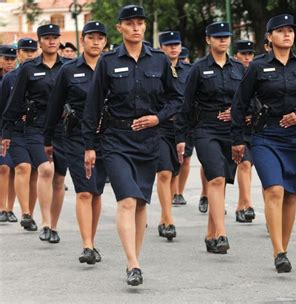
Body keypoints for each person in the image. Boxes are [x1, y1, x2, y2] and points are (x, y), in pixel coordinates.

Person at [82, 5, 181, 286]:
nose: (136, 27)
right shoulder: (108, 61)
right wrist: (89, 145)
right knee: (126, 199)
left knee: (139, 204)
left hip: (148, 141)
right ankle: (133, 263)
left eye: (140, 23)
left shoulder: (159, 61)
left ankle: (133, 260)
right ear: (120, 28)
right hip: (116, 140)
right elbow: (93, 106)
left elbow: (176, 100)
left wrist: (157, 118)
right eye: (130, 23)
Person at [232, 14, 296, 273]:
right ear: (269, 37)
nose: (287, 34)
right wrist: (237, 140)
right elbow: (240, 103)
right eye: (280, 31)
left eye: (291, 30)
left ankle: (284, 249)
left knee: (290, 194)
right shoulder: (257, 67)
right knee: (275, 190)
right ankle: (277, 250)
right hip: (266, 134)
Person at [175, 21, 244, 254]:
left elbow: (249, 101)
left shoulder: (238, 68)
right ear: (208, 40)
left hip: (231, 131)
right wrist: (180, 137)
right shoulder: (198, 68)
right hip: (205, 129)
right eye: (217, 37)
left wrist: (239, 114)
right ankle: (223, 234)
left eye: (226, 37)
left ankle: (211, 234)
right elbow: (186, 104)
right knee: (215, 178)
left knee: (222, 181)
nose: (223, 41)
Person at [44, 21, 108, 265]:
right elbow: (55, 105)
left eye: (100, 38)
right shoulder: (69, 70)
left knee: (97, 191)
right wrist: (47, 139)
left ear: (105, 42)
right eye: (91, 37)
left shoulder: (111, 67)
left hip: (105, 137)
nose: (95, 42)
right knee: (84, 190)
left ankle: (91, 237)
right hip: (75, 137)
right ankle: (87, 245)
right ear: (83, 40)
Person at [2, 24, 68, 243]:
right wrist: (7, 132)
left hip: (63, 128)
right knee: (45, 170)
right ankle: (45, 222)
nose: (51, 41)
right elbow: (15, 101)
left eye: (55, 38)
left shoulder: (67, 67)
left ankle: (54, 226)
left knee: (59, 177)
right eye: (47, 38)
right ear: (40, 41)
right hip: (35, 127)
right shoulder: (28, 69)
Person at [155, 30, 190, 239]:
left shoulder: (189, 70)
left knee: (175, 171)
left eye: (176, 44)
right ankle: (168, 219)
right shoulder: (155, 68)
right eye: (168, 45)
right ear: (161, 48)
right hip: (160, 126)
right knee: (165, 172)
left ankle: (163, 216)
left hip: (183, 127)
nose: (173, 48)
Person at [1, 38, 38, 230]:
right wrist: (4, 134)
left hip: (37, 130)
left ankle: (29, 214)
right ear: (19, 54)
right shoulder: (9, 79)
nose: (29, 54)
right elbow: (3, 109)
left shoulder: (42, 75)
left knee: (35, 173)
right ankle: (24, 212)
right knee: (22, 167)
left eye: (33, 50)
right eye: (25, 51)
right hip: (16, 131)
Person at [233, 39, 256, 223]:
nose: (247, 58)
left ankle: (241, 206)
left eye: (250, 54)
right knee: (244, 164)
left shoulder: (257, 70)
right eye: (243, 54)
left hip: (257, 127)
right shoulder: (233, 72)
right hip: (238, 127)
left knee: (252, 167)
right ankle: (248, 204)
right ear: (236, 56)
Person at [172, 44, 194, 206]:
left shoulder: (190, 70)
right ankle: (172, 192)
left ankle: (179, 192)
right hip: (167, 121)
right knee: (169, 163)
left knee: (185, 158)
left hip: (187, 120)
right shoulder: (160, 68)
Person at [0, 45, 18, 223]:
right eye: (6, 59)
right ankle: (1, 206)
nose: (9, 62)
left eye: (12, 59)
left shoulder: (19, 77)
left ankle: (10, 208)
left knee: (12, 168)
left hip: (15, 128)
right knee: (3, 167)